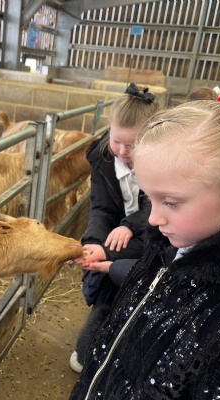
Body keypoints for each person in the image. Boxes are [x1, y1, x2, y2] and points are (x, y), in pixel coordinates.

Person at [69, 100, 220, 399]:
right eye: (149, 199)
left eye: (170, 202)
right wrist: (98, 246)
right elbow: (103, 209)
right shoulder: (162, 244)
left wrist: (112, 258)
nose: (152, 218)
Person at [69, 83, 160, 372]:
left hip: (157, 233)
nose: (122, 150)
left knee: (132, 279)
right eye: (116, 140)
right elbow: (101, 207)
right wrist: (94, 243)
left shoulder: (162, 160)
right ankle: (93, 346)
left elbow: (160, 207)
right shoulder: (103, 159)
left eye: (132, 144)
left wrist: (129, 226)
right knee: (105, 274)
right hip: (120, 234)